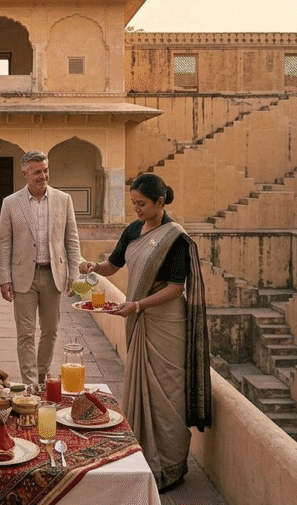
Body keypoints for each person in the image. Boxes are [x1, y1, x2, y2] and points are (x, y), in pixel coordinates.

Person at [80, 173, 211, 492]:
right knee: (141, 388)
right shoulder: (133, 230)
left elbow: (175, 288)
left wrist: (137, 305)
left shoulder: (175, 238)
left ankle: (170, 466)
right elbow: (114, 264)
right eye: (133, 203)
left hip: (166, 322)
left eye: (142, 204)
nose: (136, 208)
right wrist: (94, 268)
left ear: (160, 202)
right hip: (139, 318)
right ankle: (142, 459)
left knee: (167, 391)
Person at [0, 150, 81, 385]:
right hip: (24, 276)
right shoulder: (11, 203)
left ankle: (42, 375)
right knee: (25, 334)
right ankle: (30, 383)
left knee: (50, 331)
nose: (43, 176)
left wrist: (73, 274)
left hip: (53, 274)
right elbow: (4, 243)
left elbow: (71, 240)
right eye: (37, 172)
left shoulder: (64, 200)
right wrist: (4, 278)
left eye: (45, 170)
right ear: (25, 174)